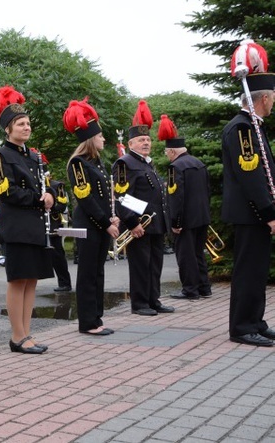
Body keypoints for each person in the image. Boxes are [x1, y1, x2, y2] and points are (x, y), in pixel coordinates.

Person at [0, 86, 53, 354]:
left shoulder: (34, 157)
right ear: (8, 128)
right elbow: (6, 191)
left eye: (27, 123)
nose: (26, 127)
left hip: (35, 225)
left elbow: (43, 186)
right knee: (17, 280)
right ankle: (17, 336)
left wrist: (50, 195)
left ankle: (27, 332)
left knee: (31, 280)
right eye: (20, 124)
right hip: (16, 225)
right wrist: (38, 199)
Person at [222, 58, 275, 347]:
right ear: (263, 98)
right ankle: (241, 327)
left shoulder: (253, 126)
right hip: (250, 213)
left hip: (254, 213)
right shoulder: (242, 129)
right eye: (273, 97)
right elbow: (251, 174)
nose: (274, 102)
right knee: (248, 272)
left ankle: (255, 321)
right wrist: (268, 212)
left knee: (257, 271)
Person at [63, 98, 120, 335]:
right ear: (90, 139)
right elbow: (86, 199)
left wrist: (112, 217)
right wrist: (106, 222)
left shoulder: (95, 163)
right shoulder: (78, 164)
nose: (103, 139)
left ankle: (96, 317)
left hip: (100, 224)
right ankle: (87, 321)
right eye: (100, 136)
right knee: (87, 273)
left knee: (98, 271)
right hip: (89, 224)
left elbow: (103, 196)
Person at [112, 100, 174, 317]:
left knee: (155, 265)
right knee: (140, 265)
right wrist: (132, 223)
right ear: (130, 144)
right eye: (141, 140)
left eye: (148, 139)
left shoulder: (148, 163)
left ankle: (153, 300)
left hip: (155, 223)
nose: (146, 142)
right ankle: (139, 304)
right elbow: (122, 196)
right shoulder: (124, 163)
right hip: (139, 224)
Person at [158, 114, 212, 301]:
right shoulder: (199, 163)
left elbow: (176, 197)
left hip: (186, 220)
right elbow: (207, 191)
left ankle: (190, 290)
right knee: (198, 253)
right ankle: (204, 288)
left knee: (185, 256)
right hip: (202, 217)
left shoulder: (175, 168)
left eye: (167, 153)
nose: (167, 156)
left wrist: (176, 222)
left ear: (172, 151)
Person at [37, 152, 73, 293]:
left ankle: (65, 283)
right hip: (38, 225)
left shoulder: (57, 186)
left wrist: (49, 206)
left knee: (58, 256)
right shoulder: (35, 186)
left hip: (53, 224)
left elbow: (62, 206)